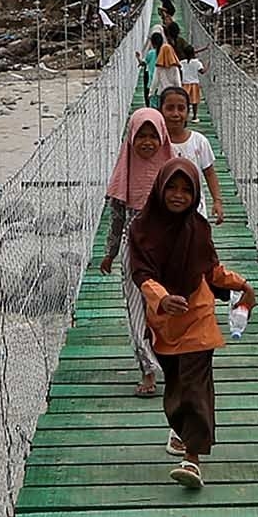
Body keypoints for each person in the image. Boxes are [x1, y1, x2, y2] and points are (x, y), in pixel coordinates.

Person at [127, 157, 253, 488]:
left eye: (187, 189)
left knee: (195, 387)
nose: (179, 195)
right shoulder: (141, 228)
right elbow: (142, 274)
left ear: (196, 194)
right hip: (165, 321)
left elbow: (210, 269)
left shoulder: (198, 228)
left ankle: (192, 458)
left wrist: (240, 284)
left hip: (198, 315)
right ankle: (181, 431)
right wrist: (161, 298)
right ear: (160, 188)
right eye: (172, 187)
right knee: (176, 386)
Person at [99, 107, 171, 396]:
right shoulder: (124, 170)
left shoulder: (172, 168)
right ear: (130, 138)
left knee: (165, 308)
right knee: (136, 307)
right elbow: (116, 216)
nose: (147, 142)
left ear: (163, 138)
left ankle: (173, 363)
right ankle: (148, 371)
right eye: (141, 136)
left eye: (154, 136)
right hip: (133, 249)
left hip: (168, 249)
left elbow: (188, 210)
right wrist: (110, 251)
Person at [156, 84, 223, 223]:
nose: (175, 114)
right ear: (160, 111)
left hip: (195, 210)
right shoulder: (156, 143)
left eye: (181, 109)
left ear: (188, 112)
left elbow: (209, 173)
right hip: (163, 209)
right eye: (169, 108)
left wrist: (217, 201)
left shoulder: (199, 141)